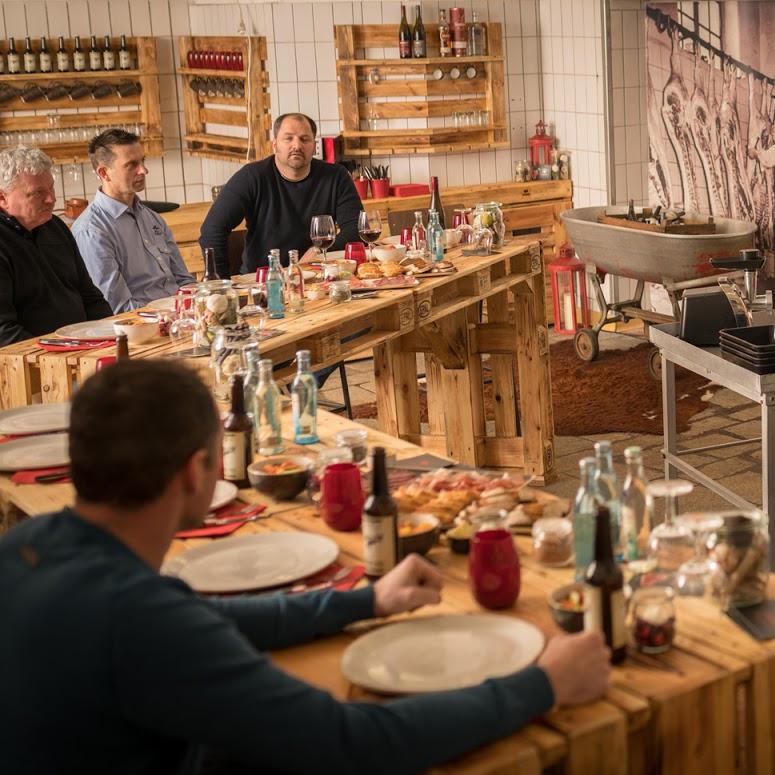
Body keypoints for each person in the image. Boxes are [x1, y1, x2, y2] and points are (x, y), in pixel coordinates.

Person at [0, 360, 610, 775]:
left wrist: (364, 602)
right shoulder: (137, 621)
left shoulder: (34, 545)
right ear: (196, 473)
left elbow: (199, 618)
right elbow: (350, 743)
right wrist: (544, 684)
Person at [200, 113, 362, 277]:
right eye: (288, 138)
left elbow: (356, 229)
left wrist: (318, 252)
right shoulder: (252, 177)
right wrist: (221, 284)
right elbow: (212, 230)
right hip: (263, 282)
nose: (296, 145)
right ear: (275, 145)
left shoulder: (336, 176)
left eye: (304, 139)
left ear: (314, 146)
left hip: (319, 277)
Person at [72, 129, 195, 313]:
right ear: (104, 173)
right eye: (131, 165)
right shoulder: (92, 231)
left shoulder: (152, 218)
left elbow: (184, 281)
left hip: (178, 318)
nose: (143, 170)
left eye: (143, 161)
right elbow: (118, 308)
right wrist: (174, 317)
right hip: (140, 329)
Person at [0, 146, 112, 346]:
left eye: (51, 187)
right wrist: (64, 352)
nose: (52, 199)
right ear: (2, 198)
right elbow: (4, 332)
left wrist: (110, 337)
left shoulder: (54, 226)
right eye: (38, 193)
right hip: (32, 360)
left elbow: (91, 298)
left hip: (82, 346)